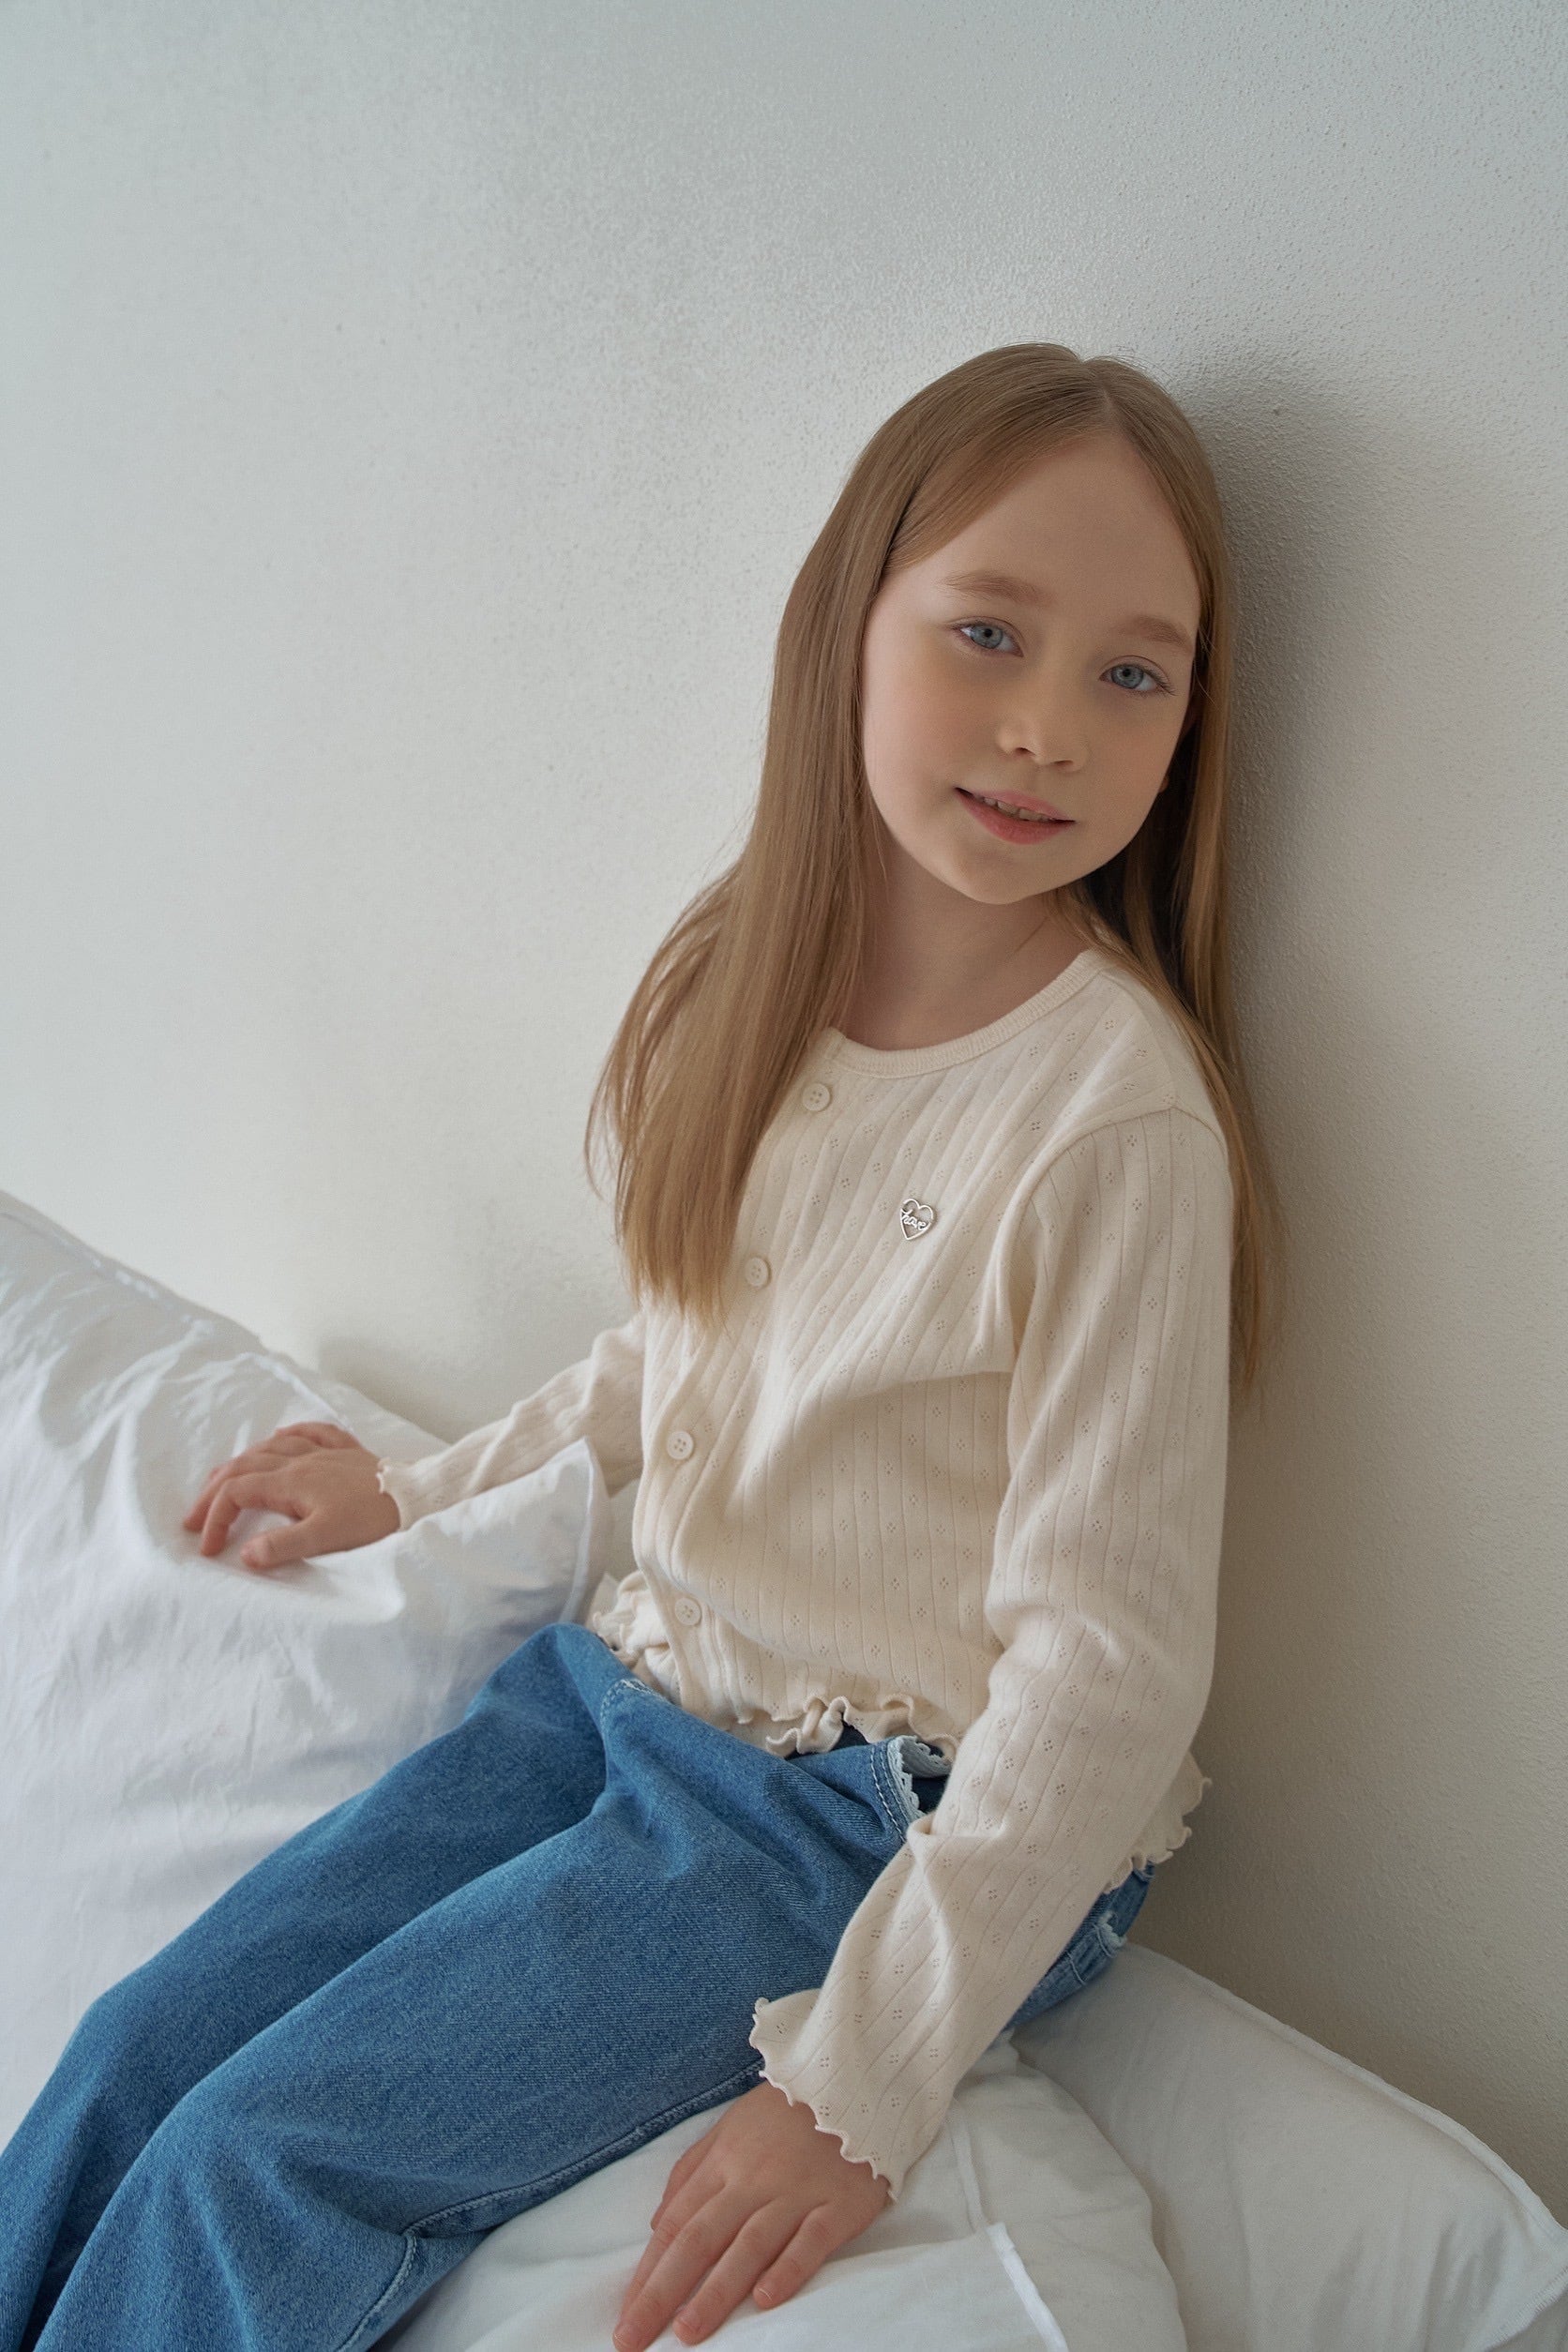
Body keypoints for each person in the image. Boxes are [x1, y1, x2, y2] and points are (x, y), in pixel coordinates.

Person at [0, 340, 1285, 2352]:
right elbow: (686, 1355)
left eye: (1134, 673)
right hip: (626, 1691)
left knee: (256, 2160)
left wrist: (857, 2087)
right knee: (133, 2051)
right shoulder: (746, 982)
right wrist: (414, 1489)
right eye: (987, 632)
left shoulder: (1111, 1124)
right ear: (847, 624)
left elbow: (1108, 1671)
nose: (1049, 725)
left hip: (868, 1816)